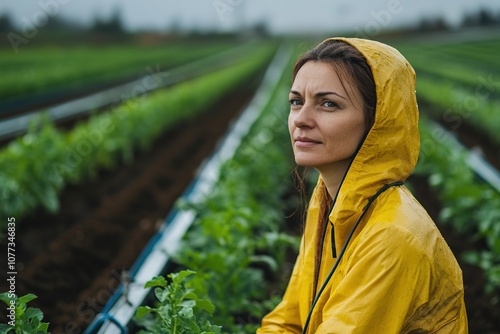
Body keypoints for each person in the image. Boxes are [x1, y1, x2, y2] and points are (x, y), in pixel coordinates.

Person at [257, 38, 468, 333]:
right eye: (296, 102)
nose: (301, 119)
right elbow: (291, 319)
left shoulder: (393, 236)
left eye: (328, 104)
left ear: (378, 121)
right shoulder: (327, 202)